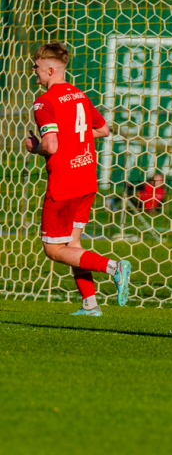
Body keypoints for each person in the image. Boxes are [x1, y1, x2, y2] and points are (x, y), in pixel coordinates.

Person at [24, 42, 131, 316]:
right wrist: (73, 139)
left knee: (53, 249)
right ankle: (90, 304)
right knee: (73, 245)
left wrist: (34, 147)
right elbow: (103, 130)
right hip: (86, 179)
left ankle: (113, 267)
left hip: (64, 184)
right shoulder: (79, 95)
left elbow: (51, 145)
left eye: (36, 67)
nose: (33, 71)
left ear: (50, 69)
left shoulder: (43, 102)